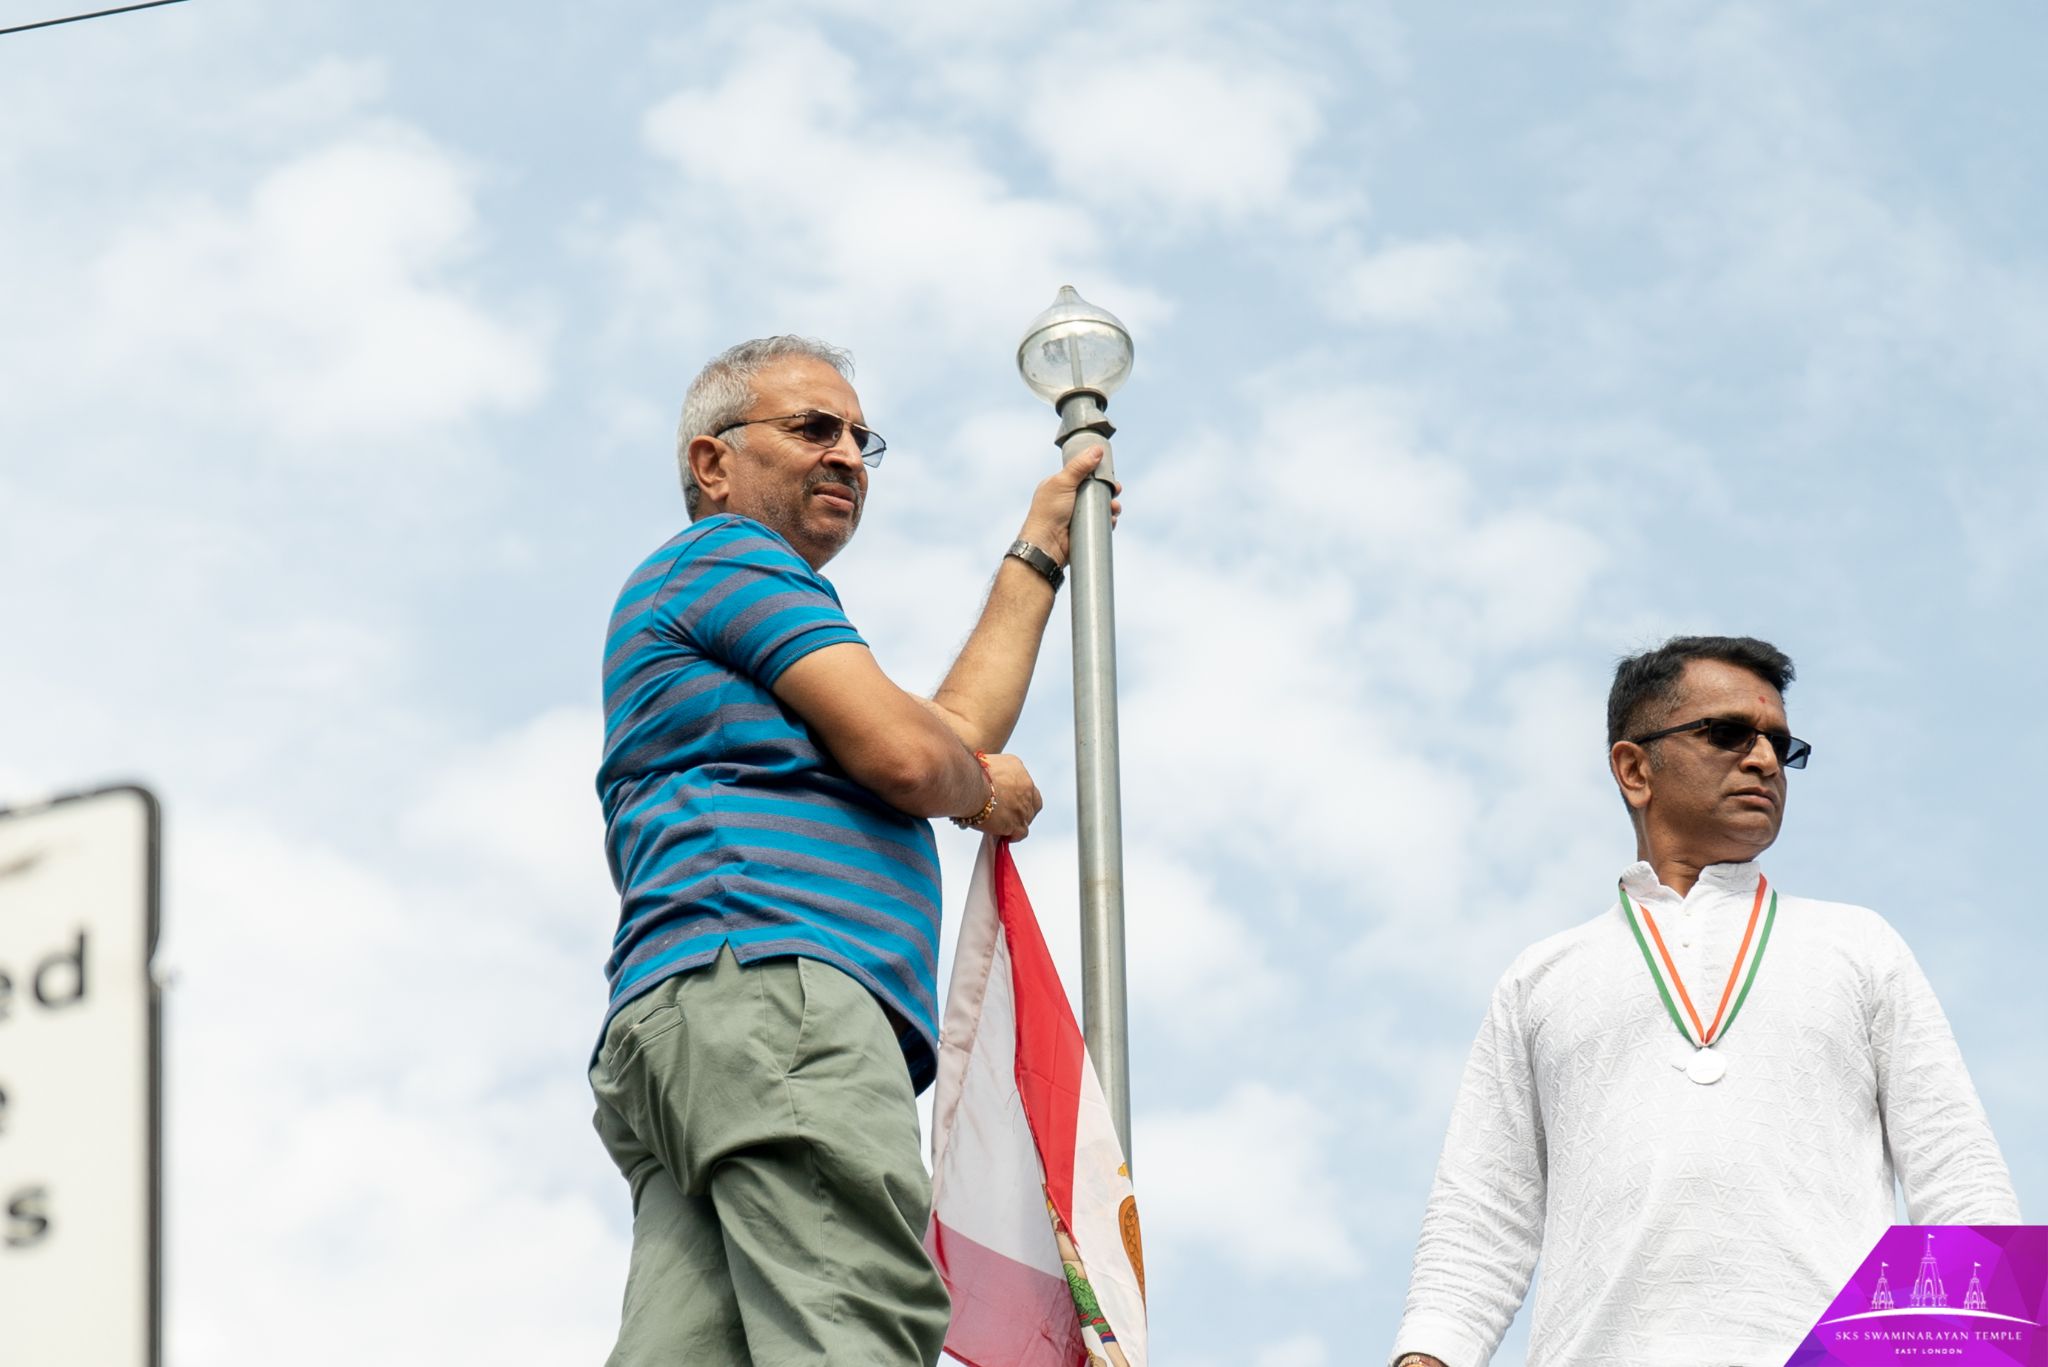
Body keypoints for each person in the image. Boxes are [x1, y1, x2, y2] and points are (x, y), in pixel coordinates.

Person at [589, 335, 1114, 1366]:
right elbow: (917, 762)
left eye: (859, 437)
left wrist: (1040, 549)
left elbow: (944, 732)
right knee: (854, 1324)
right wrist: (982, 792)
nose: (846, 455)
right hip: (777, 992)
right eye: (811, 428)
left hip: (696, 1019)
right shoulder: (729, 559)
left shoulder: (727, 605)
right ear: (712, 462)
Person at [1389, 635, 2019, 1367]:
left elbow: (1963, 1183)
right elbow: (1480, 1217)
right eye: (1727, 734)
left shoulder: (1858, 944)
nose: (1764, 761)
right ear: (1634, 768)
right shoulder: (1542, 978)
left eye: (1782, 745)